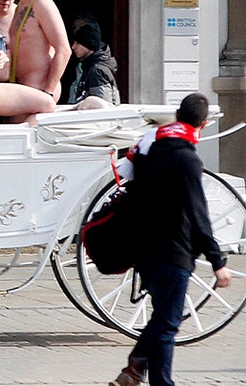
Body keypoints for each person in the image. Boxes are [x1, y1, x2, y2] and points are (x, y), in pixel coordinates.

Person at [110, 93, 231, 386]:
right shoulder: (188, 159)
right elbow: (198, 214)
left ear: (177, 116)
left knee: (162, 319)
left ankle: (135, 369)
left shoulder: (148, 149)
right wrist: (218, 261)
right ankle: (158, 380)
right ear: (203, 124)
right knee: (167, 325)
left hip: (144, 248)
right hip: (174, 250)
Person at [8, 0, 71, 102]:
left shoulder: (42, 3)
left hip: (39, 85)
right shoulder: (20, 6)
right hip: (21, 84)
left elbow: (64, 50)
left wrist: (48, 91)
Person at [69, 22, 120, 107]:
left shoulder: (97, 71)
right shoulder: (89, 67)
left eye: (77, 43)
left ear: (88, 44)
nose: (73, 47)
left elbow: (101, 108)